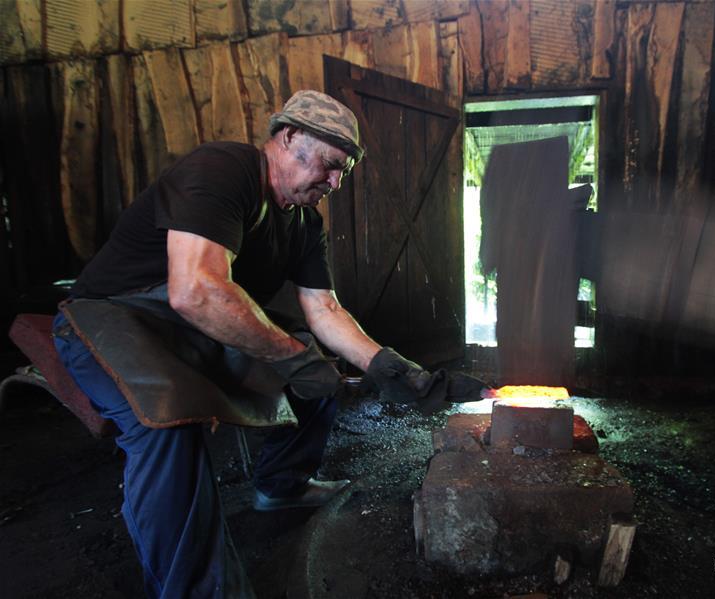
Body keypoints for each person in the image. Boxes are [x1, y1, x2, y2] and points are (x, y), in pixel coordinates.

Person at [52, 90, 468, 598]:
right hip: (113, 317)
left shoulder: (303, 222)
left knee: (319, 368)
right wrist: (293, 358)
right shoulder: (224, 170)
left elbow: (324, 310)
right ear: (289, 137)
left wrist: (383, 363)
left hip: (193, 325)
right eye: (332, 166)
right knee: (167, 427)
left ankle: (281, 485)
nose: (335, 183)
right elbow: (196, 289)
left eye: (345, 173)